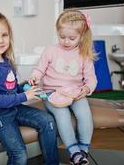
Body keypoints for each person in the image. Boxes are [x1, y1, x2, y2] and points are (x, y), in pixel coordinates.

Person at [0, 9, 59, 165]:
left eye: (4, 35)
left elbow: (12, 89)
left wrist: (26, 87)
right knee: (19, 155)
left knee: (48, 121)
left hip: (13, 109)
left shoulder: (6, 61)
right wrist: (25, 96)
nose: (0, 40)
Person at [29, 9, 97, 165]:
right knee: (62, 115)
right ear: (57, 32)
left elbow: (91, 78)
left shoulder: (84, 54)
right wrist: (35, 77)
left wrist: (86, 89)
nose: (66, 41)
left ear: (82, 36)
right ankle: (73, 152)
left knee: (85, 115)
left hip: (75, 93)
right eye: (62, 37)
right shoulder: (51, 51)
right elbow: (39, 69)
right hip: (52, 93)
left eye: (72, 38)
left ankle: (83, 150)